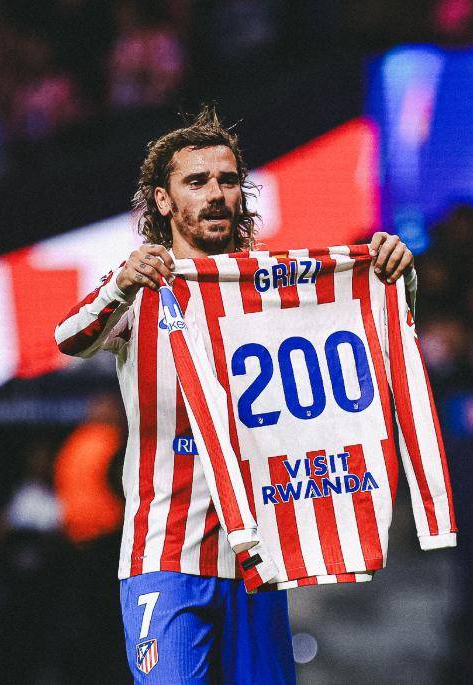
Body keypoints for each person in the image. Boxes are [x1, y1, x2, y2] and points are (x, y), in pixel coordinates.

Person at [55, 105, 415, 684]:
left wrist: (398, 282)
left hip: (259, 561)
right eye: (197, 181)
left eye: (227, 180)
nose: (216, 194)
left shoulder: (271, 291)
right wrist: (121, 282)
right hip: (165, 556)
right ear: (163, 200)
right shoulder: (142, 290)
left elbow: (364, 353)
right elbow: (69, 338)